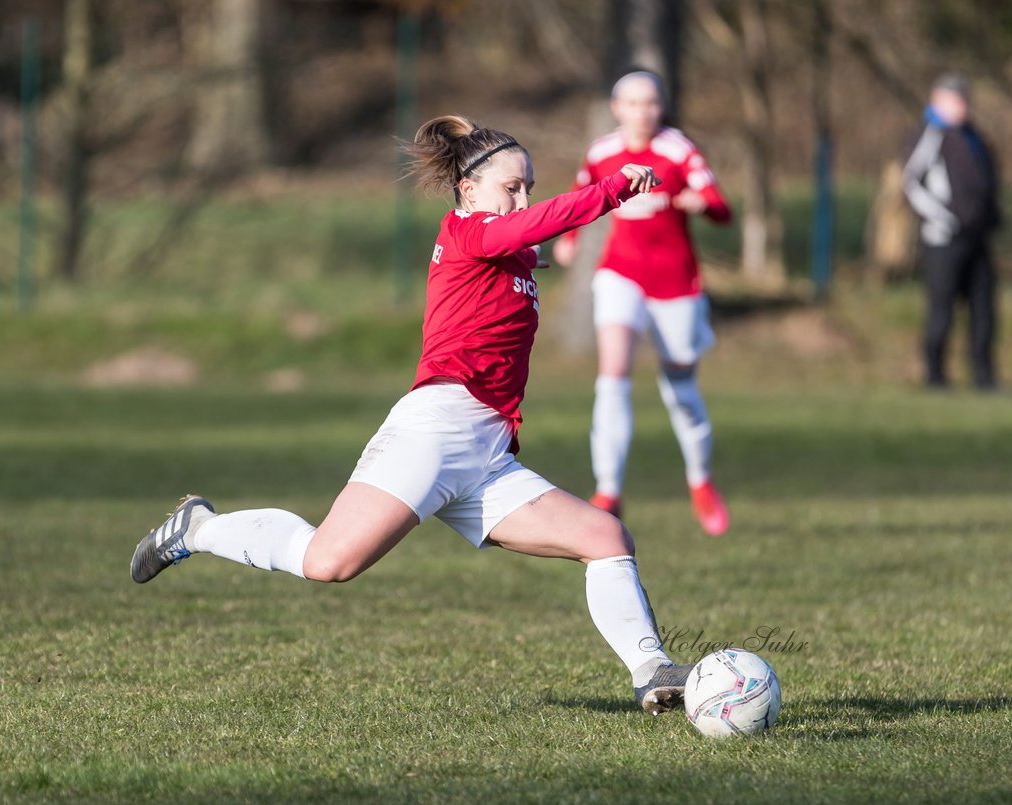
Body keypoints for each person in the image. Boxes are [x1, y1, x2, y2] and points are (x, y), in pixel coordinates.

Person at [129, 115, 697, 715]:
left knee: (606, 538)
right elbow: (531, 226)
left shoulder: (504, 248)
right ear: (469, 191)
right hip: (436, 431)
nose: (523, 199)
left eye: (530, 186)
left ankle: (652, 672)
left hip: (487, 451)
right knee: (328, 562)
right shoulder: (464, 230)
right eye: (513, 187)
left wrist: (525, 256)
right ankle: (198, 529)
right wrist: (610, 190)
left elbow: (519, 243)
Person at [554, 71, 732, 535]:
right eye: (633, 103)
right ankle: (608, 490)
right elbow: (580, 196)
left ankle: (700, 481)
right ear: (617, 108)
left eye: (650, 103)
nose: (642, 112)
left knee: (681, 388)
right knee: (613, 374)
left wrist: (702, 203)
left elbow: (720, 206)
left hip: (675, 281)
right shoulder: (602, 151)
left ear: (661, 107)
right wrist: (569, 238)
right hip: (620, 272)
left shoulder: (679, 149)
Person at [903, 73, 1001, 390]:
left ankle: (983, 377)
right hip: (943, 240)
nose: (964, 105)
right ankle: (935, 377)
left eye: (965, 98)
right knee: (941, 310)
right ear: (938, 101)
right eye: (957, 99)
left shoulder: (974, 137)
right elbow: (911, 183)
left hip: (978, 237)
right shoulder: (929, 135)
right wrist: (945, 219)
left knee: (984, 310)